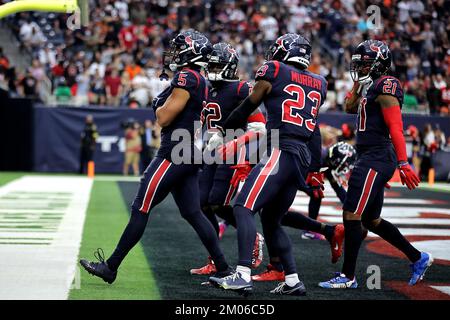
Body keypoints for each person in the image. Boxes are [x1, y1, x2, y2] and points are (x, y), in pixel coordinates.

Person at [79, 30, 233, 284]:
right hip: (189, 151)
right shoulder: (201, 79)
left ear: (190, 52)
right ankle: (224, 269)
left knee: (141, 207)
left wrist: (158, 105)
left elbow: (164, 117)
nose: (172, 53)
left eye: (178, 48)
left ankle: (111, 266)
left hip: (174, 152)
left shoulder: (187, 76)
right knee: (193, 213)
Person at [208, 33, 328, 296]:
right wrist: (316, 170)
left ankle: (241, 274)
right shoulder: (320, 82)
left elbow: (248, 104)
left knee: (242, 207)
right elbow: (315, 129)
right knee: (272, 220)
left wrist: (221, 131)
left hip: (280, 150)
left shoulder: (274, 69)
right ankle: (294, 279)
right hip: (301, 157)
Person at [319, 40, 432, 289]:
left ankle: (348, 276)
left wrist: (403, 162)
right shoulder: (369, 85)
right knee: (371, 219)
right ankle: (418, 257)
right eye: (358, 64)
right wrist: (359, 83)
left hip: (377, 156)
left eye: (365, 64)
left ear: (379, 65)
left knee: (351, 213)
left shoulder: (386, 84)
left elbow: (395, 126)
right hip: (370, 157)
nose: (359, 68)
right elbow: (349, 107)